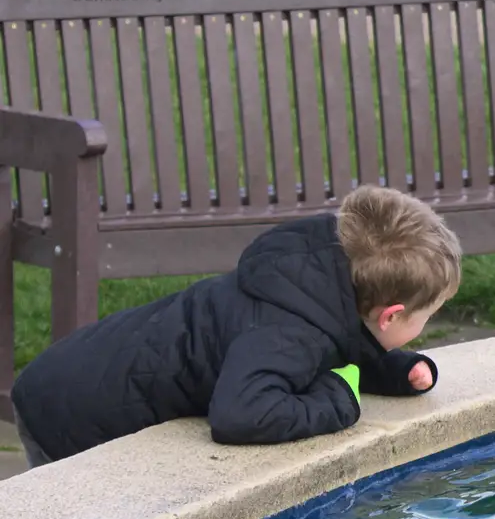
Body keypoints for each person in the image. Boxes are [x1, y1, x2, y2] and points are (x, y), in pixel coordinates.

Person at [11, 185, 462, 467]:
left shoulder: (311, 275)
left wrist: (392, 371)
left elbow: (342, 337)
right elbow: (242, 415)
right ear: (390, 315)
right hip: (68, 416)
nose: (426, 324)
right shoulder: (287, 333)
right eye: (426, 316)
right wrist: (339, 402)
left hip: (74, 370)